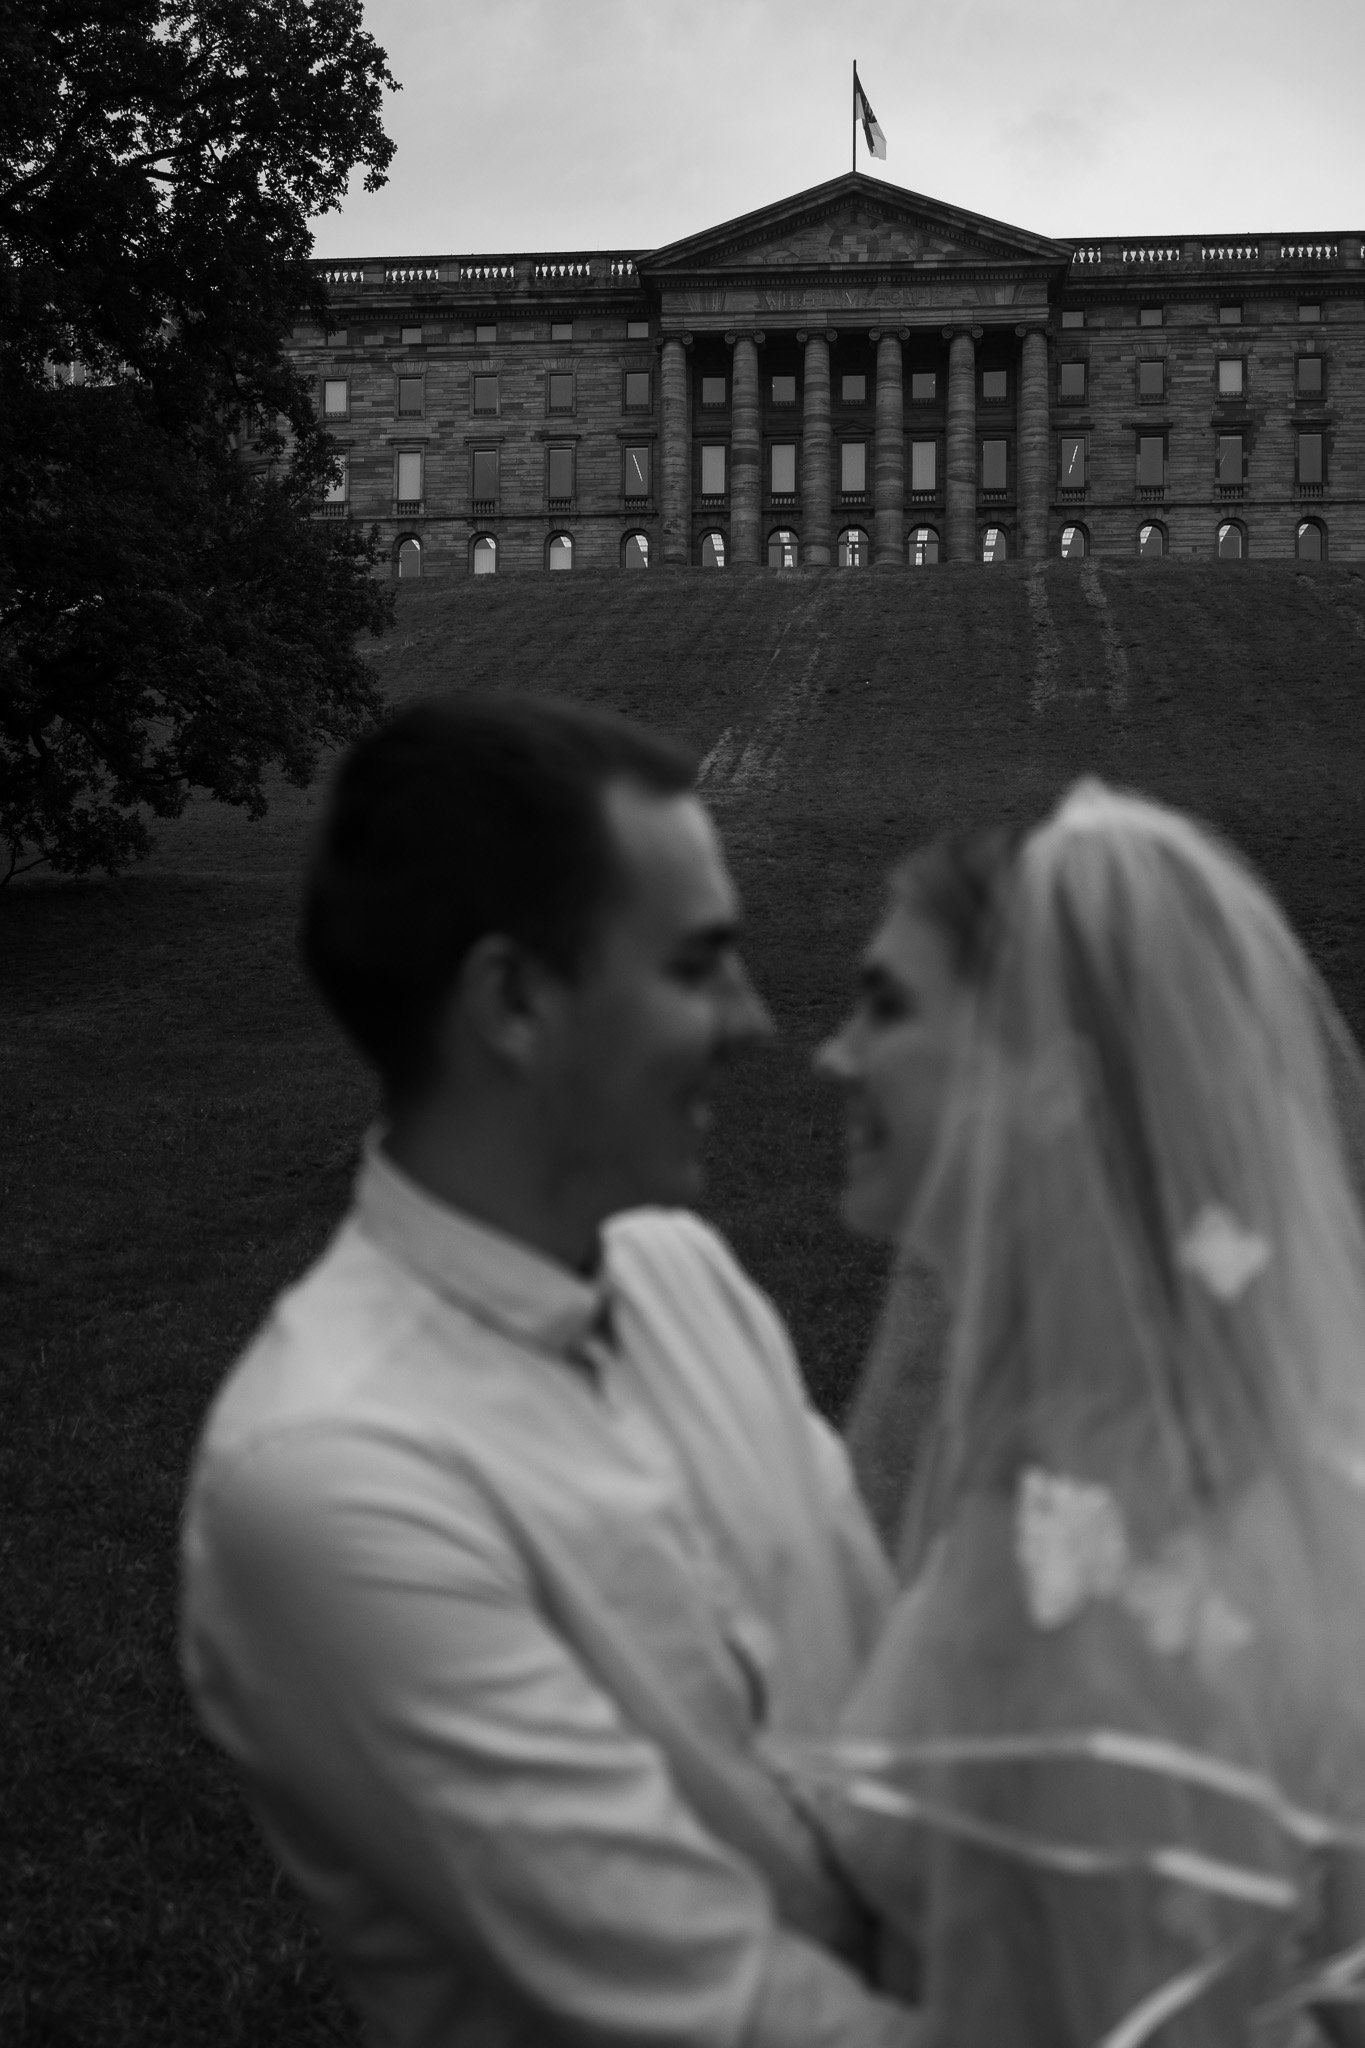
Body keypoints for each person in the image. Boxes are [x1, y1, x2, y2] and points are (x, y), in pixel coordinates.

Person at [179, 694, 917, 2048]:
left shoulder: (686, 1273)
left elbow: (884, 1716)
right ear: (514, 1001)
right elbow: (724, 2014)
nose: (760, 1020)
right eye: (697, 966)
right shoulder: (327, 1476)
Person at [808, 779, 1365, 2045]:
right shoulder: (1277, 1472)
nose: (834, 1049)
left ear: (1051, 1085)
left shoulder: (1057, 1566)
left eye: (886, 1006)